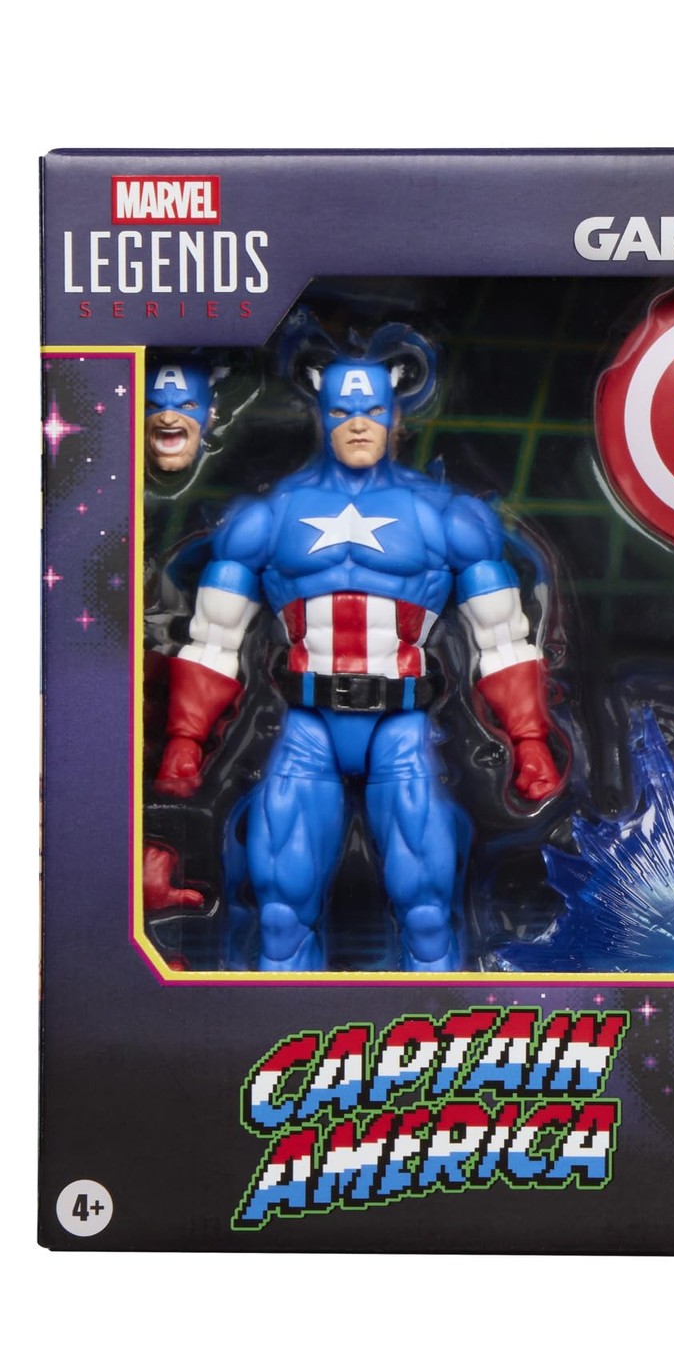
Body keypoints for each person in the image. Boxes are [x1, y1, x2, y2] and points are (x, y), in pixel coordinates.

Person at [154, 324, 562, 971]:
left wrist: (529, 739)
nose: (358, 424)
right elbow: (215, 636)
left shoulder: (445, 518)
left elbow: (501, 634)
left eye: (371, 409)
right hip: (308, 723)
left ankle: (432, 1025)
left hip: (401, 725)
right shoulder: (269, 519)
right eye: (343, 411)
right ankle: (277, 1030)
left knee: (426, 911)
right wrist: (187, 739)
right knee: (280, 912)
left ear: (396, 413)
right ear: (320, 412)